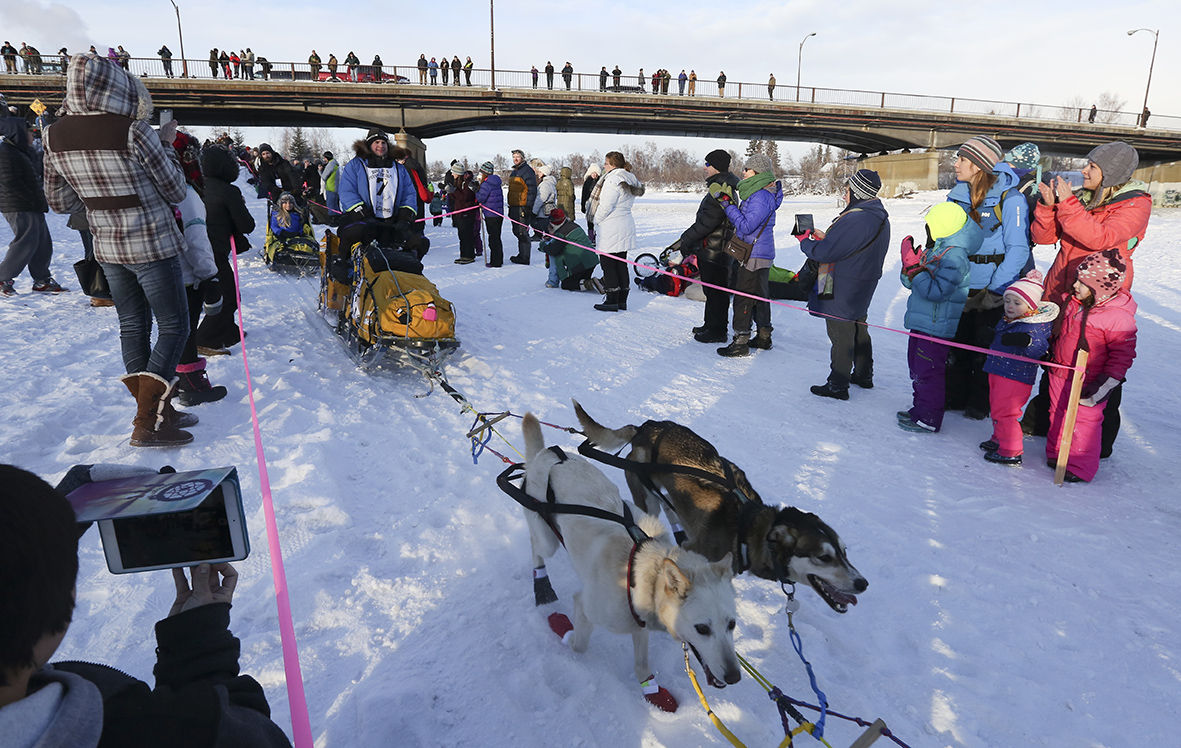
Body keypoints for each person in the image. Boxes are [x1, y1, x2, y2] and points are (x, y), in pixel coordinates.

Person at [0, 464, 293, 748]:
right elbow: (252, 732)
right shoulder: (140, 728)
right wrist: (197, 643)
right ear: (60, 607)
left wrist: (46, 518)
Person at [43, 55, 194, 446]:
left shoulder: (52, 134)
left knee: (133, 325)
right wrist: (164, 145)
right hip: (152, 243)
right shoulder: (133, 130)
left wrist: (99, 201)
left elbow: (58, 202)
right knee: (174, 325)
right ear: (115, 85)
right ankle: (148, 421)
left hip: (107, 247)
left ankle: (158, 410)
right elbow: (175, 189)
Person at [1023, 140, 1149, 453]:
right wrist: (1047, 206)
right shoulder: (1083, 199)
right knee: (1057, 356)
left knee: (1094, 362)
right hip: (1061, 288)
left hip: (1097, 297)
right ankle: (1046, 421)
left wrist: (1067, 205)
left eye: (1092, 166)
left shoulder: (1135, 204)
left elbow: (1099, 237)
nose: (1084, 171)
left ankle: (1099, 439)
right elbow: (1044, 237)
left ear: (1111, 173)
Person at [944, 135, 1029, 420]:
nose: (956, 164)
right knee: (955, 346)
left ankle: (978, 404)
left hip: (990, 289)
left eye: (962, 159)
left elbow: (1018, 250)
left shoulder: (1011, 199)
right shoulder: (956, 195)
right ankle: (953, 397)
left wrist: (994, 290)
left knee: (983, 350)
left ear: (979, 166)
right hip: (958, 283)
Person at [1046, 250, 1137, 482]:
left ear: (1100, 287)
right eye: (1077, 279)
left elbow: (1121, 359)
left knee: (1085, 423)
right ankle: (1058, 454)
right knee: (1056, 414)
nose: (1075, 284)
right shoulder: (1072, 302)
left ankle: (1078, 466)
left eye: (1082, 282)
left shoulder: (1118, 317)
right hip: (1061, 371)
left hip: (1090, 379)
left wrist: (1101, 389)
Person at [798, 169, 891, 394]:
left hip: (840, 283)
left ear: (858, 191)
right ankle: (863, 374)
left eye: (848, 190)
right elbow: (847, 245)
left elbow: (824, 253)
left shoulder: (856, 218)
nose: (845, 194)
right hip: (862, 282)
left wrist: (805, 242)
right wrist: (827, 237)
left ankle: (838, 384)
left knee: (840, 332)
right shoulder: (878, 215)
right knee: (859, 326)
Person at [895, 202, 978, 432]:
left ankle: (929, 418)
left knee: (929, 371)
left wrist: (917, 271)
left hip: (936, 325)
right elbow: (911, 283)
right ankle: (920, 409)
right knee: (917, 368)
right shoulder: (937, 250)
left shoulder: (955, 258)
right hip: (923, 322)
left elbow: (937, 292)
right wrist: (909, 266)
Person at [170, 131, 227, 406]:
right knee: (186, 331)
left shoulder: (158, 187)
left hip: (161, 271)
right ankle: (191, 384)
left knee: (173, 331)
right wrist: (210, 277)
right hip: (187, 276)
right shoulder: (187, 193)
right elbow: (195, 238)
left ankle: (177, 383)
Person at [979, 270, 1057, 465]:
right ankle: (999, 438)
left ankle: (1011, 450)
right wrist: (990, 336)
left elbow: (1039, 347)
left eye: (1017, 303)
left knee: (1008, 412)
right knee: (997, 408)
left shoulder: (1034, 326)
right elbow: (1001, 339)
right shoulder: (1007, 319)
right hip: (998, 370)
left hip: (1015, 377)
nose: (1010, 306)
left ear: (1030, 305)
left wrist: (1026, 341)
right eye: (1008, 301)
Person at [713, 153, 780, 355]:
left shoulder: (760, 196)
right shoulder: (760, 192)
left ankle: (741, 341)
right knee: (760, 295)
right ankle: (763, 336)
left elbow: (746, 225)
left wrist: (727, 205)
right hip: (760, 251)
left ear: (757, 172)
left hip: (753, 253)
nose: (743, 172)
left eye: (747, 169)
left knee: (743, 295)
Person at [196, 145, 255, 354]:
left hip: (192, 248)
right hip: (215, 251)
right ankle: (205, 339)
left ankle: (228, 331)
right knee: (229, 296)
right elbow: (248, 225)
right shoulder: (228, 191)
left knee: (219, 292)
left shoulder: (195, 185)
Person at [0, 102, 61, 297]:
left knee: (43, 241)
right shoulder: (5, 153)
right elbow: (9, 182)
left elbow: (38, 171)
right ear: (18, 133)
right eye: (30, 132)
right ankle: (3, 277)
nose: (32, 135)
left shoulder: (21, 151)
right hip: (17, 204)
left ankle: (42, 279)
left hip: (31, 203)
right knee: (26, 240)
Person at [678, 149, 739, 343]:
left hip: (716, 250)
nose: (705, 168)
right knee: (710, 290)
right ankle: (710, 324)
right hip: (712, 248)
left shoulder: (720, 189)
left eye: (708, 164)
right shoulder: (720, 186)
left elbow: (708, 222)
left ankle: (718, 331)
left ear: (716, 166)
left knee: (716, 292)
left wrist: (685, 239)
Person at [337, 129, 418, 251]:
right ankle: (343, 264)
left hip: (390, 220)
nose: (380, 146)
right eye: (377, 142)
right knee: (352, 235)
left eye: (383, 142)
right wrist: (361, 213)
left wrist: (405, 215)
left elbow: (409, 193)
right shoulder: (355, 165)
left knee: (419, 242)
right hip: (363, 218)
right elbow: (346, 191)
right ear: (369, 145)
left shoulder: (398, 168)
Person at [591, 151, 645, 312]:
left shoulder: (613, 179)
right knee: (620, 263)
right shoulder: (629, 177)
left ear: (613, 165)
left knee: (608, 264)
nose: (604, 166)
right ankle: (622, 300)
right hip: (625, 223)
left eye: (606, 163)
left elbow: (606, 205)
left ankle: (612, 300)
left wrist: (595, 220)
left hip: (611, 226)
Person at [540, 209, 598, 290]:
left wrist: (542, 244)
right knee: (580, 279)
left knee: (566, 284)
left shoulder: (561, 234)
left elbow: (552, 250)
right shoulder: (573, 225)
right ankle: (598, 282)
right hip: (592, 261)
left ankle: (589, 284)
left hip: (581, 264)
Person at [507, 149, 538, 264]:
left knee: (522, 232)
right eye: (514, 157)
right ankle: (522, 254)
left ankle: (525, 257)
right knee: (517, 231)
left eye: (518, 157)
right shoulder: (514, 172)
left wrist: (527, 206)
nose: (515, 159)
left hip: (522, 207)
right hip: (514, 206)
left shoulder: (527, 171)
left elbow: (532, 190)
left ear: (522, 158)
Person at [476, 161, 504, 266]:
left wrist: (476, 191)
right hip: (498, 214)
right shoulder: (496, 183)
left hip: (491, 215)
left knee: (493, 238)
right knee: (497, 237)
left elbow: (480, 198)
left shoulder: (486, 184)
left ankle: (495, 262)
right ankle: (498, 259)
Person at [449, 166, 478, 264]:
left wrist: (453, 191)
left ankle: (469, 255)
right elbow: (457, 198)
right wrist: (450, 191)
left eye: (453, 172)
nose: (452, 174)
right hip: (460, 212)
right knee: (462, 235)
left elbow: (465, 197)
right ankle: (464, 255)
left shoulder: (467, 183)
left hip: (467, 213)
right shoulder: (459, 182)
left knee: (467, 235)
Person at [532, 160, 557, 232]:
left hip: (543, 212)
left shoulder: (545, 184)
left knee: (542, 227)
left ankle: (539, 235)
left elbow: (541, 199)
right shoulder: (550, 183)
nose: (538, 174)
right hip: (548, 211)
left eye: (540, 172)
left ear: (544, 173)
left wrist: (534, 211)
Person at [581, 162, 601, 242]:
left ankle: (597, 237)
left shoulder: (599, 182)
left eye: (596, 173)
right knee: (589, 222)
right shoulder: (587, 182)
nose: (594, 175)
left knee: (597, 222)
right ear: (590, 173)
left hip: (597, 204)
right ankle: (591, 237)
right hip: (588, 204)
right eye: (593, 173)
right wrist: (583, 205)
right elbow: (584, 194)